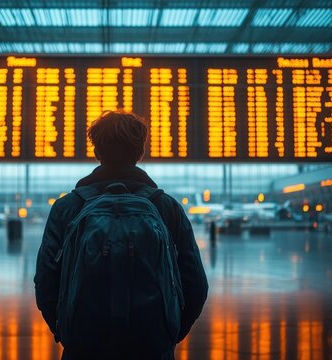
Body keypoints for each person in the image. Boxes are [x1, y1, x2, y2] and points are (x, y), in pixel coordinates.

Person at [35, 110, 208, 359]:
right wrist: (167, 335)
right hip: (151, 346)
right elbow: (196, 285)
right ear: (140, 152)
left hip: (84, 347)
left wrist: (68, 333)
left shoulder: (67, 208)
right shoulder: (167, 208)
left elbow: (46, 282)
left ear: (96, 152)